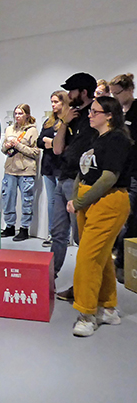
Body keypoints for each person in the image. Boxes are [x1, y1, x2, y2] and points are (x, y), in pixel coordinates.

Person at [67, 96, 132, 337]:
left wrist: (80, 201)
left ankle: (87, 313)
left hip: (108, 201)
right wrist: (76, 198)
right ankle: (108, 307)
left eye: (95, 112)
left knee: (87, 258)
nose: (90, 115)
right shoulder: (97, 138)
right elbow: (83, 171)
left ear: (109, 115)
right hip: (89, 201)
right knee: (101, 257)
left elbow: (109, 178)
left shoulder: (118, 139)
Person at [52, 72, 98, 302]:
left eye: (72, 91)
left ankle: (83, 286)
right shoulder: (74, 117)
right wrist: (64, 122)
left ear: (83, 92)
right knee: (58, 233)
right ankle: (48, 278)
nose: (68, 95)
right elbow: (57, 149)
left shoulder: (94, 119)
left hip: (79, 183)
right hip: (63, 179)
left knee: (81, 237)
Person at [110, 73, 137, 283]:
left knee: (130, 218)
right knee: (119, 217)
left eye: (117, 93)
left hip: (134, 172)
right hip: (119, 172)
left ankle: (122, 262)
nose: (115, 97)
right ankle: (116, 258)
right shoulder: (117, 113)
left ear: (129, 90)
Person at [0, 104, 40, 242]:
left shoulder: (32, 131)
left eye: (20, 113)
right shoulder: (9, 129)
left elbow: (35, 152)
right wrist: (6, 146)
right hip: (10, 169)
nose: (17, 116)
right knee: (8, 199)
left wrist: (18, 145)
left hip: (26, 171)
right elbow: (3, 149)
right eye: (15, 113)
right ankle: (9, 226)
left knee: (26, 201)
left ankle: (24, 228)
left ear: (27, 115)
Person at [37, 91, 69, 247]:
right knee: (51, 201)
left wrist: (51, 142)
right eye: (52, 102)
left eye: (56, 102)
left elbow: (66, 144)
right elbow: (39, 142)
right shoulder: (49, 121)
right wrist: (51, 142)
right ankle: (52, 233)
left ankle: (64, 235)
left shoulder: (68, 121)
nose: (53, 105)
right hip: (48, 166)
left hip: (62, 166)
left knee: (62, 202)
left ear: (64, 102)